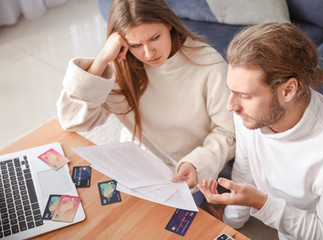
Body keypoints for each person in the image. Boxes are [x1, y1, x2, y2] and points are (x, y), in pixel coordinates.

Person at [56, 0, 235, 205]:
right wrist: (102, 61)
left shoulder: (209, 65)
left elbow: (229, 132)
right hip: (139, 162)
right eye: (136, 45)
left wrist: (197, 164)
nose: (149, 53)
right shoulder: (120, 67)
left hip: (190, 165)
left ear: (168, 24)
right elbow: (71, 119)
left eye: (155, 37)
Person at [198, 22, 323, 239]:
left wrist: (261, 203)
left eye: (245, 95)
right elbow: (245, 171)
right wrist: (232, 220)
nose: (231, 106)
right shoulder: (250, 114)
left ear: (288, 90)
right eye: (231, 91)